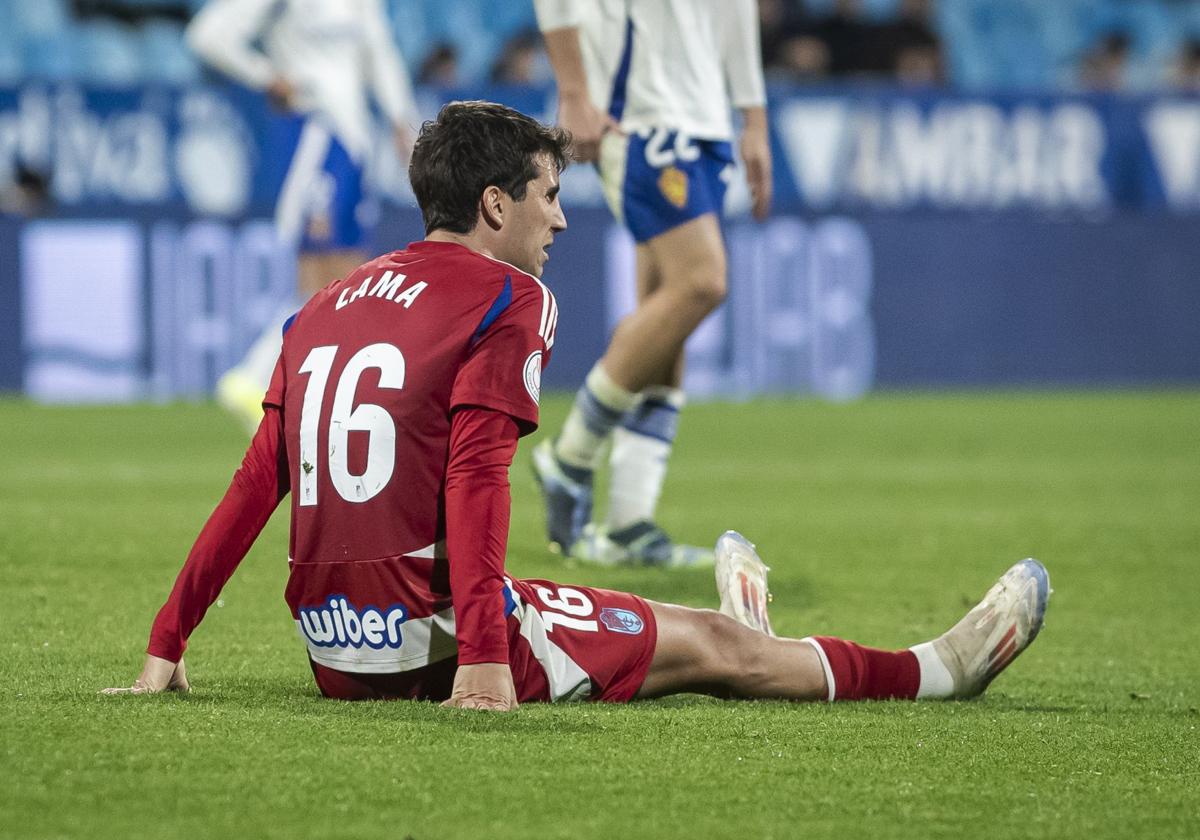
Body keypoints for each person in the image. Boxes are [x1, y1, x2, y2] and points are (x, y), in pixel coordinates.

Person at [103, 102, 1050, 711]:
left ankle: (733, 630)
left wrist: (165, 644)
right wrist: (481, 657)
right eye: (549, 197)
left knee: (665, 631)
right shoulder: (509, 298)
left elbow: (254, 484)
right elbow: (477, 478)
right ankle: (938, 669)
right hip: (443, 647)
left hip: (338, 656)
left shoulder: (322, 306)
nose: (560, 219)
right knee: (719, 651)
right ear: (493, 205)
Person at [529, 0, 773, 567]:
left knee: (668, 319)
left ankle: (627, 524)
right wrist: (573, 90)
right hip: (639, 113)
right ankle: (570, 458)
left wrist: (753, 119)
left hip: (704, 117)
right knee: (702, 281)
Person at [185, 0, 419, 431]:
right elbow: (208, 35)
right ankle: (257, 380)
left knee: (347, 281)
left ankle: (285, 388)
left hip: (352, 143)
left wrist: (400, 116)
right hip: (315, 132)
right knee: (323, 281)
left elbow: (379, 51)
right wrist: (266, 76)